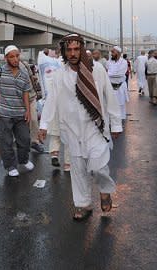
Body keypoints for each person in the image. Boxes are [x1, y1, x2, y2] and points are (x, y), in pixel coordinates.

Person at [38, 34, 122, 221]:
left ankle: (105, 190)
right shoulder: (60, 74)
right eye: (69, 50)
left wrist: (116, 123)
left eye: (77, 49)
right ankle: (83, 204)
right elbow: (51, 101)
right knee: (78, 170)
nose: (73, 53)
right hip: (72, 130)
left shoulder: (97, 70)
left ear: (82, 50)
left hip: (95, 128)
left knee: (99, 166)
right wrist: (44, 125)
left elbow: (109, 95)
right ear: (65, 52)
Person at [0, 45, 33, 177]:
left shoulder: (24, 75)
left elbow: (26, 94)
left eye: (17, 56)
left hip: (20, 114)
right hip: (5, 114)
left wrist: (28, 111)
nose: (15, 59)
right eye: (12, 57)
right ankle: (10, 166)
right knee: (6, 142)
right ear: (6, 58)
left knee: (25, 140)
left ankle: (23, 160)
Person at [20, 58, 45, 153]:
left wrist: (36, 92)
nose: (15, 58)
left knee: (34, 120)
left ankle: (35, 141)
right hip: (20, 100)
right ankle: (23, 144)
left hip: (31, 97)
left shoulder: (25, 64)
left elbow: (31, 78)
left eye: (17, 55)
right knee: (22, 123)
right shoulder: (7, 69)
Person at [107, 46, 129, 120]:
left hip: (120, 86)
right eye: (111, 52)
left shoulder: (124, 62)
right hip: (111, 86)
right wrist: (111, 73)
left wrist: (109, 73)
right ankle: (113, 119)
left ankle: (121, 119)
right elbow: (107, 71)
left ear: (118, 53)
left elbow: (120, 74)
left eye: (113, 52)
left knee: (121, 104)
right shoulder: (109, 61)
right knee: (111, 103)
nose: (111, 54)